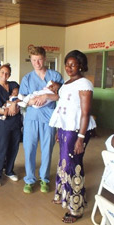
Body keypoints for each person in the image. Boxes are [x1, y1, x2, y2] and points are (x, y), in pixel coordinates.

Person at [49, 50, 96, 223]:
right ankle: (64, 195)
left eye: (73, 64)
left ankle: (76, 208)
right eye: (67, 64)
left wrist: (81, 138)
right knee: (64, 163)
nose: (69, 67)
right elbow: (63, 107)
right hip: (65, 129)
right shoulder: (68, 82)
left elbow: (85, 113)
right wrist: (58, 131)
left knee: (73, 165)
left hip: (77, 130)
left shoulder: (84, 84)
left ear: (81, 65)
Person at [19, 46, 64, 194]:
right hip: (31, 118)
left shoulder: (55, 76)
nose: (37, 63)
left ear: (44, 59)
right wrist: (33, 101)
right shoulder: (27, 78)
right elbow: (23, 99)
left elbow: (60, 96)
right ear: (30, 60)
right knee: (29, 149)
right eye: (33, 60)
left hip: (48, 118)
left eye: (39, 60)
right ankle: (30, 179)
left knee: (47, 150)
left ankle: (44, 179)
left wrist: (46, 97)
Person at [0, 63, 22, 187]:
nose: (5, 75)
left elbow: (20, 97)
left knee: (14, 147)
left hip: (15, 122)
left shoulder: (13, 85)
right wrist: (9, 111)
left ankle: (9, 170)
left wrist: (14, 104)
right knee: (1, 147)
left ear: (10, 74)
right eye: (2, 72)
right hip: (3, 122)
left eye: (7, 73)